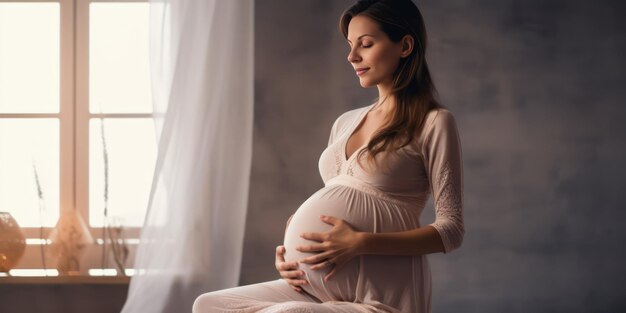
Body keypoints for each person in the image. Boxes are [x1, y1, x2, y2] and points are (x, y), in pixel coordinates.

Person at [192, 0, 464, 312]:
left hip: (380, 291)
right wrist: (291, 249)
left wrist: (361, 242)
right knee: (209, 305)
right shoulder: (345, 123)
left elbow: (451, 229)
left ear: (404, 45)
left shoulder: (434, 122)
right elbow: (340, 200)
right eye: (350, 45)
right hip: (316, 287)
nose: (352, 57)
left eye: (366, 44)